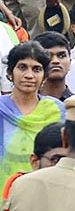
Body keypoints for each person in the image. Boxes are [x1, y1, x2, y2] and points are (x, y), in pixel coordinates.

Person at [0, 42, 64, 181]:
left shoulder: (58, 110)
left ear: (45, 77)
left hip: (45, 186)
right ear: (10, 73)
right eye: (22, 68)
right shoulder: (1, 108)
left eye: (36, 69)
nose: (29, 75)